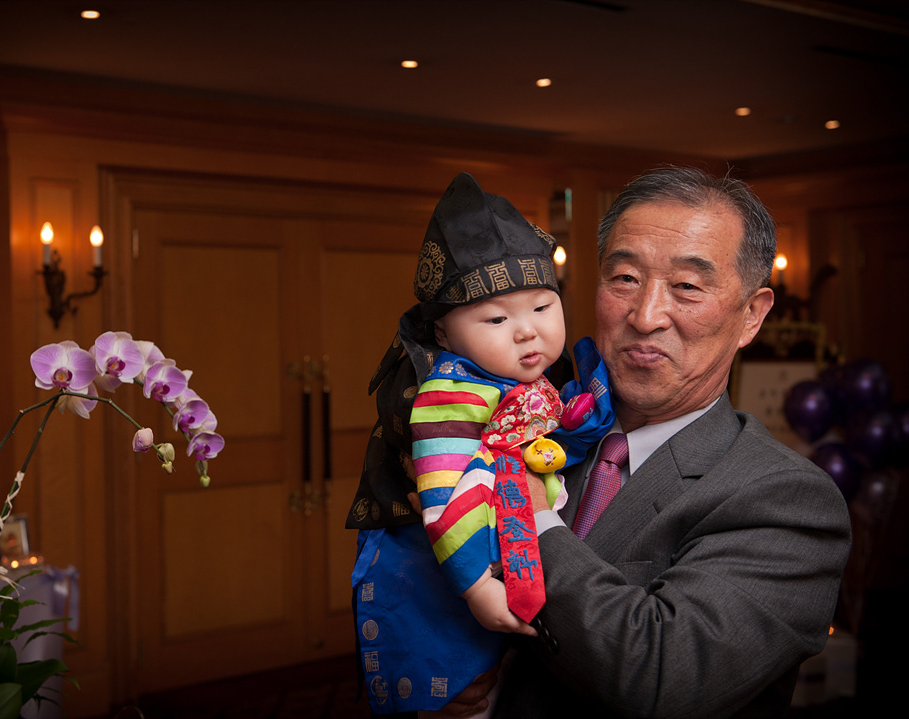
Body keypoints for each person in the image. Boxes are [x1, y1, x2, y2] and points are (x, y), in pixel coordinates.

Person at [437, 166, 852, 718]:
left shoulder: (788, 500)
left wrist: (527, 512)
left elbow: (662, 677)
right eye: (625, 278)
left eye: (687, 287)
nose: (645, 315)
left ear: (751, 316)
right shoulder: (535, 428)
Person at [347, 172, 613, 716]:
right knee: (462, 699)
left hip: (486, 559)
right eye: (496, 317)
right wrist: (475, 587)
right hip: (434, 572)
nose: (527, 331)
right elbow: (445, 499)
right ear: (444, 334)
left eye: (542, 307)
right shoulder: (450, 394)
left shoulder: (527, 375)